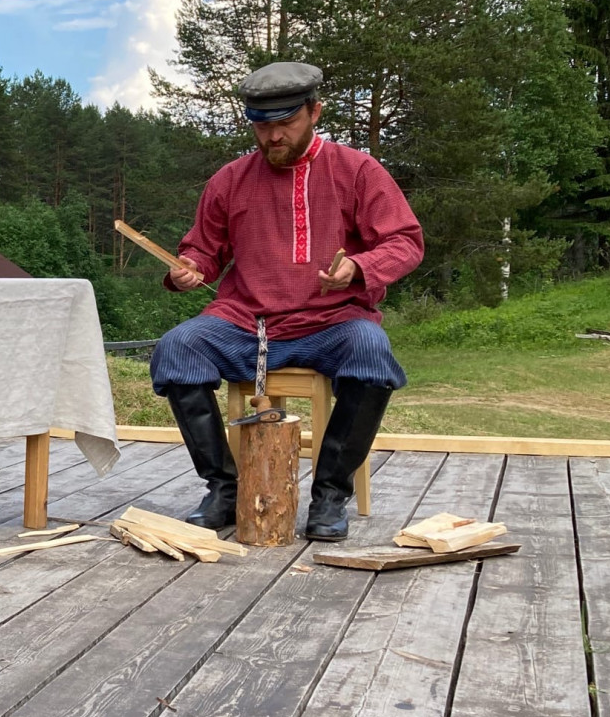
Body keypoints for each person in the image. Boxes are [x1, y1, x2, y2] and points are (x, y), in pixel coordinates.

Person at [150, 61, 424, 541]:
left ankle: (330, 494)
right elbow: (203, 249)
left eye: (285, 123)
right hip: (245, 322)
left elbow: (404, 241)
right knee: (177, 348)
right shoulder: (230, 180)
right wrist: (190, 268)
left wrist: (360, 267)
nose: (273, 136)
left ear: (314, 111)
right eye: (262, 125)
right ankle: (224, 489)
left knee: (371, 352)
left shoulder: (357, 170)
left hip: (333, 323)